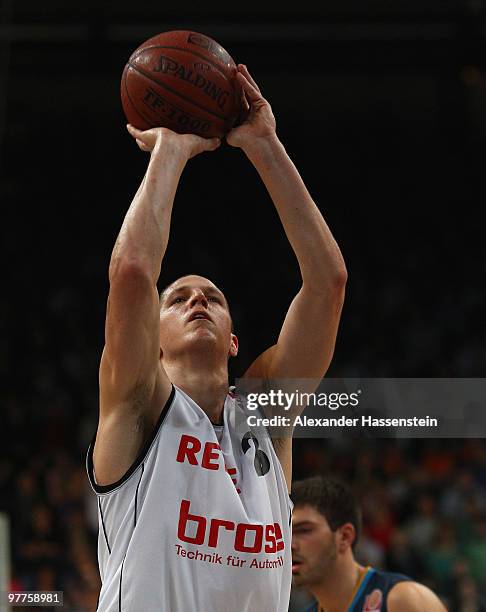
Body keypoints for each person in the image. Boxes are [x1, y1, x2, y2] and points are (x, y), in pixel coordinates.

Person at [86, 62, 347, 611]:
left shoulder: (264, 417)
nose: (198, 300)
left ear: (234, 341)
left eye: (213, 297)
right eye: (178, 299)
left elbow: (328, 283)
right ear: (152, 344)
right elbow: (133, 272)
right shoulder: (139, 407)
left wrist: (264, 143)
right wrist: (171, 151)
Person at [291, 476, 447, 612]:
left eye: (304, 530)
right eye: (287, 534)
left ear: (345, 537)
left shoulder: (404, 600)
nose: (290, 545)